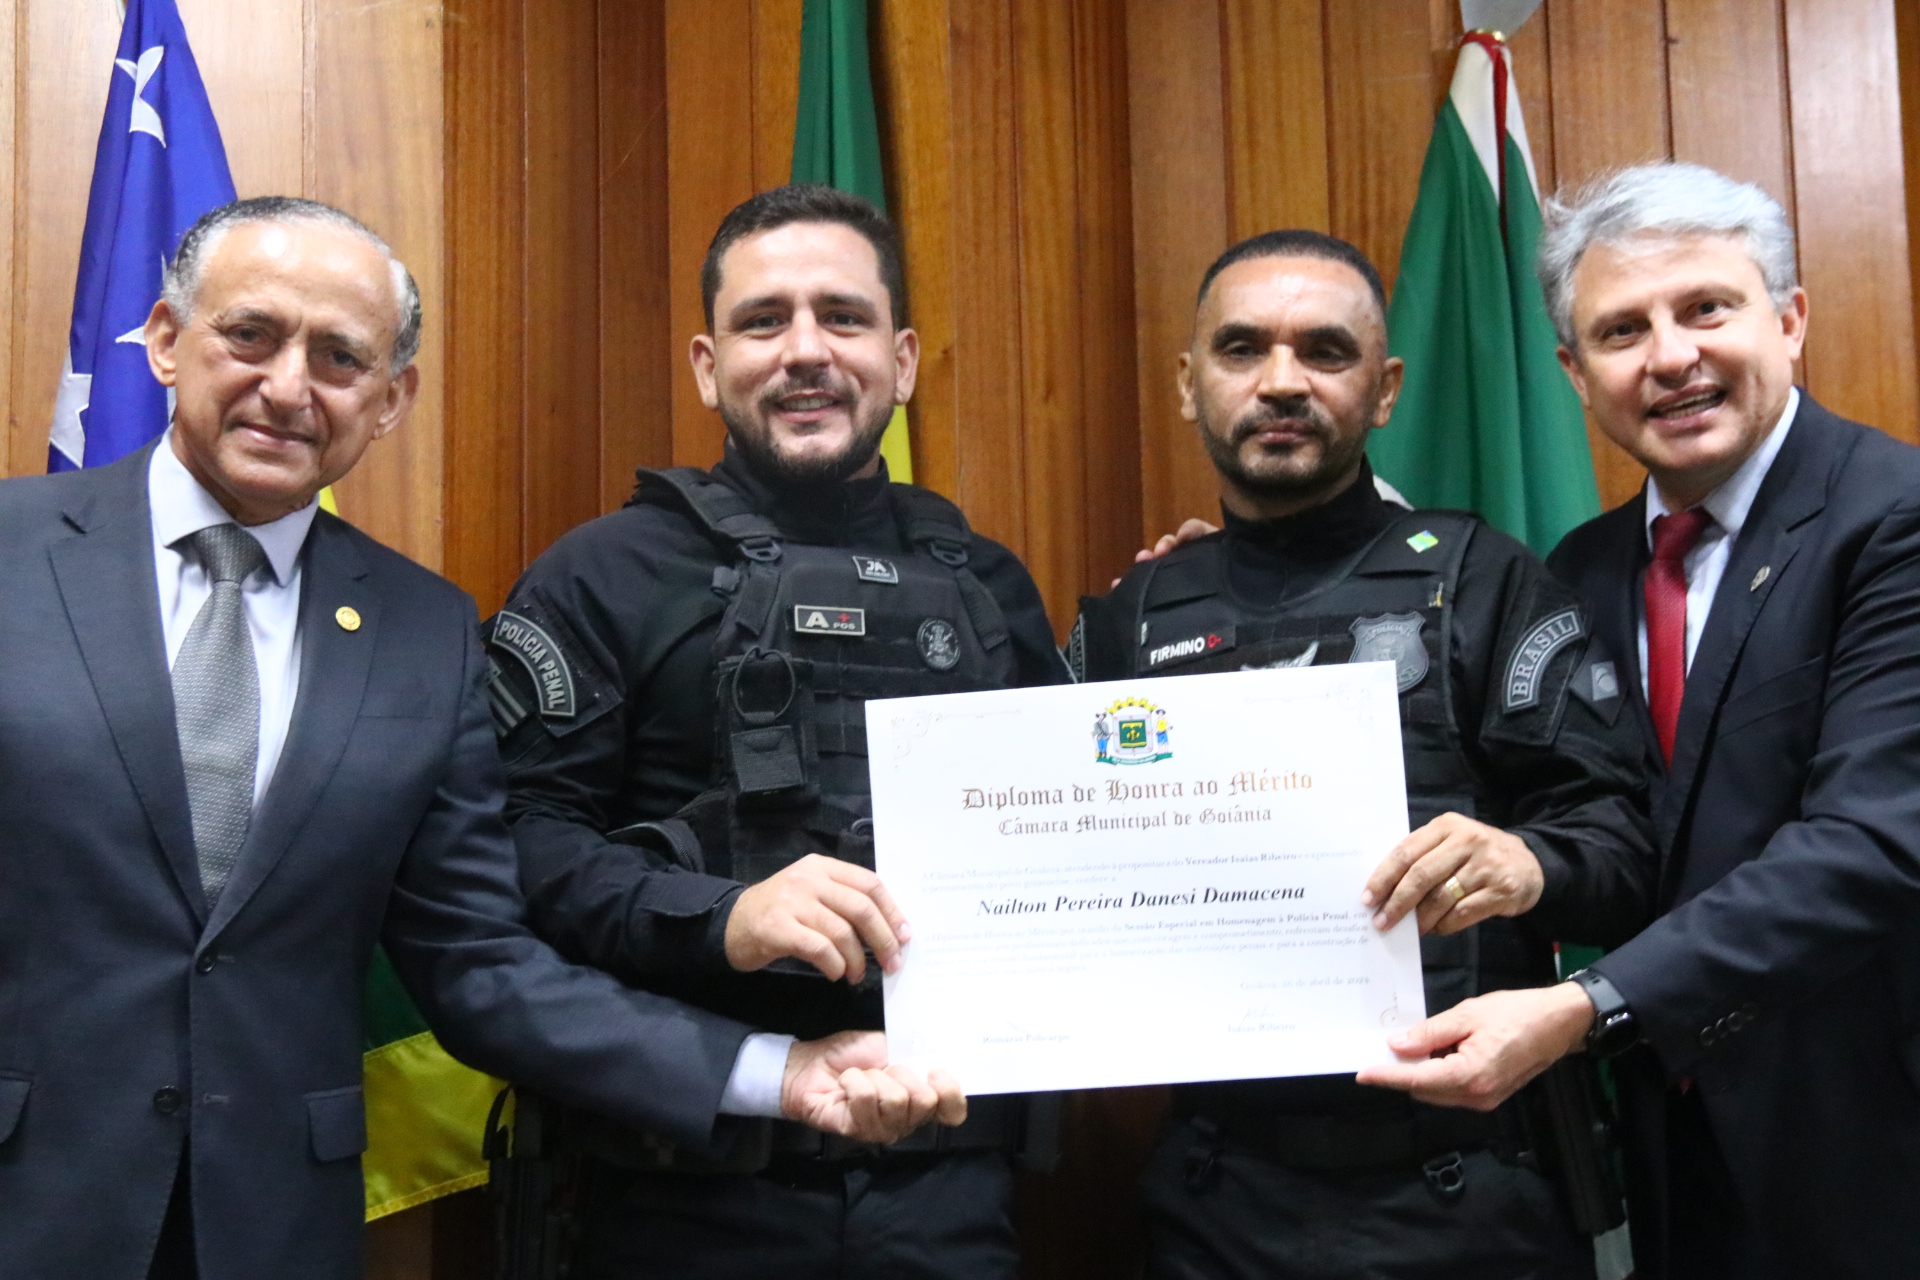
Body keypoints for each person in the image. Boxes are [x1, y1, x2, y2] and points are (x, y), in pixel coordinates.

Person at [0, 196, 953, 1280]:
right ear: (169, 341)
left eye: (341, 356)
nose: (290, 386)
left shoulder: (423, 631)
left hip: (269, 1227)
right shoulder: (13, 555)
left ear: (390, 399)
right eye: (251, 334)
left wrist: (779, 1071)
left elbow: (480, 966)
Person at [490, 184, 1068, 1280]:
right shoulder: (600, 575)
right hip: (678, 1194)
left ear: (901, 360)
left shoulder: (990, 587)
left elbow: (1075, 840)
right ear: (709, 367)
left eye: (843, 317)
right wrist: (725, 917)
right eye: (765, 322)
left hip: (946, 1191)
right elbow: (517, 849)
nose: (806, 351)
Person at [1356, 162, 1920, 1279]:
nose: (1669, 356)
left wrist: (1591, 1004)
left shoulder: (1893, 518)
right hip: (1670, 1144)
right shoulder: (1582, 568)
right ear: (1574, 372)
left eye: (1707, 307)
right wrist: (1253, 584)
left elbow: (1872, 842)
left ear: (1790, 320)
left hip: (1867, 1136)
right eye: (1621, 329)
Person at [1071, 229, 1657, 1280]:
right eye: (1243, 348)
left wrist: (1530, 865)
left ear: (1384, 390)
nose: (1281, 381)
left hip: (1464, 1193)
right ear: (1189, 383)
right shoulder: (1133, 616)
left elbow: (1630, 851)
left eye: (1325, 351)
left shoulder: (1486, 582)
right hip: (1215, 1196)